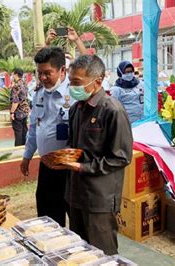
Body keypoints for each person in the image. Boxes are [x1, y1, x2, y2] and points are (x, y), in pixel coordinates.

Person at [46, 55, 133, 255]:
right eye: (70, 82)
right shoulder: (77, 109)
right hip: (75, 193)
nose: (71, 88)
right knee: (80, 249)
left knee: (102, 253)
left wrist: (83, 167)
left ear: (98, 82)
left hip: (99, 197)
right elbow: (74, 144)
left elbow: (120, 157)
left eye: (76, 83)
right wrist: (64, 157)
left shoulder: (113, 111)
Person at [20, 47, 75, 226]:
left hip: (70, 168)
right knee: (47, 215)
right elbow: (34, 129)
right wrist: (27, 156)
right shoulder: (38, 95)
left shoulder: (75, 95)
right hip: (47, 165)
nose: (43, 78)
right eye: (39, 73)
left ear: (62, 71)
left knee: (75, 215)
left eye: (48, 73)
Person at [9, 68, 30, 146]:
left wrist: (12, 112)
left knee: (18, 132)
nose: (12, 76)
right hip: (25, 111)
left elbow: (15, 101)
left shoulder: (16, 86)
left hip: (18, 112)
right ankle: (25, 147)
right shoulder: (24, 84)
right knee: (24, 130)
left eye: (12, 74)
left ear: (16, 74)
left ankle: (18, 148)